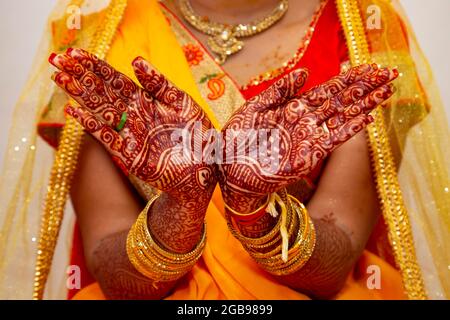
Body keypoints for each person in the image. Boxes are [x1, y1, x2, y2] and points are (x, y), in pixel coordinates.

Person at [0, 0, 448, 300]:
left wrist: (253, 210)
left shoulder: (360, 33)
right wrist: (179, 209)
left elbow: (336, 258)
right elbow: (109, 265)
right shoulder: (96, 44)